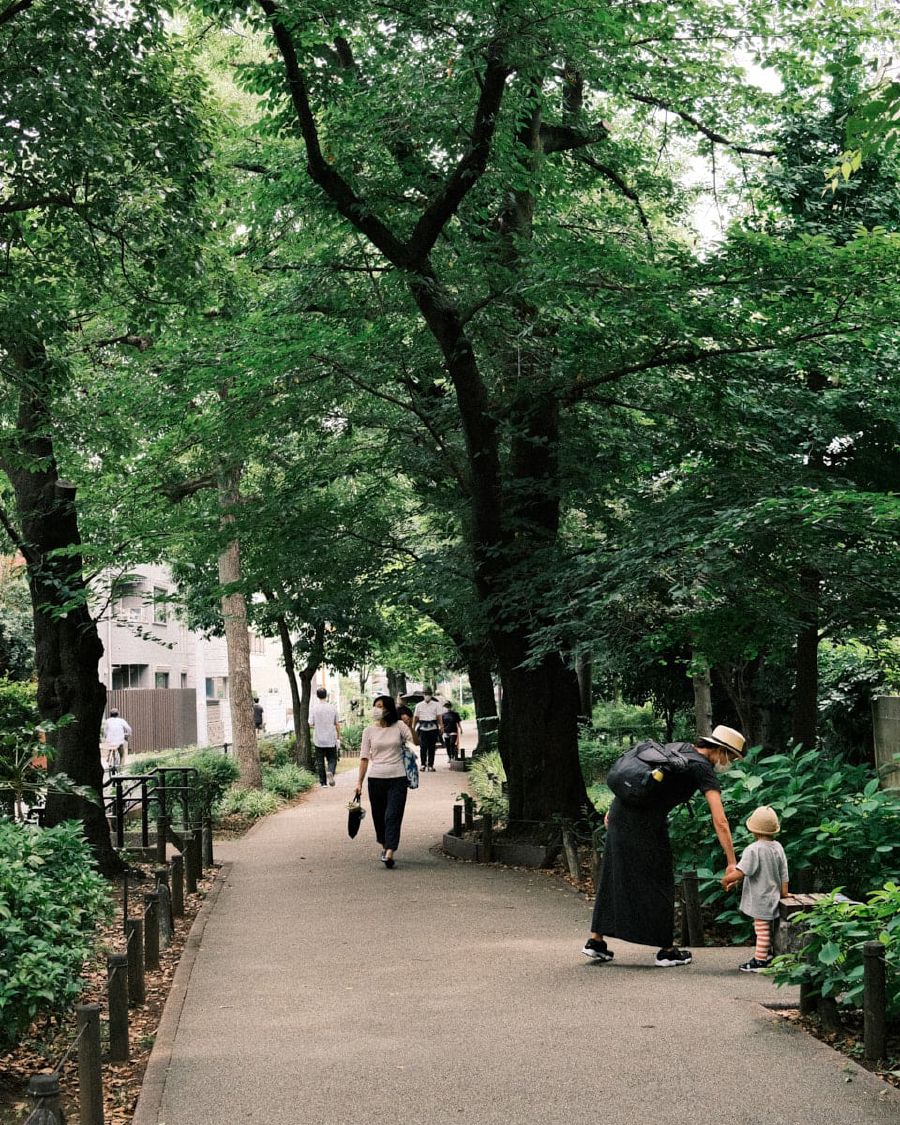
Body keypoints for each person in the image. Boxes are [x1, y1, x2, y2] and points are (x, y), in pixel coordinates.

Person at [582, 724, 746, 967]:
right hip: (644, 823)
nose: (729, 763)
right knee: (660, 881)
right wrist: (732, 861)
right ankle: (667, 951)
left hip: (620, 812)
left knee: (614, 874)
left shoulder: (680, 748)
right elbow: (719, 819)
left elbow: (643, 778)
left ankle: (596, 942)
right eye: (731, 757)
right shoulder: (702, 768)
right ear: (720, 751)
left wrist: (613, 809)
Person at [722, 806, 789, 973]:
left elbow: (742, 871)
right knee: (767, 928)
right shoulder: (778, 847)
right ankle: (767, 954)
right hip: (773, 896)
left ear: (753, 830)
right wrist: (785, 893)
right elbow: (784, 873)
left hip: (760, 898)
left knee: (761, 930)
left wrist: (727, 879)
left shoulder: (754, 849)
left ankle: (760, 960)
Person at [355, 695, 414, 868]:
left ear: (388, 709)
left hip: (398, 777)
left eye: (380, 706)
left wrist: (412, 727)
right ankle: (384, 845)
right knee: (379, 817)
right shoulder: (369, 731)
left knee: (393, 815)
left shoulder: (400, 726)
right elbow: (364, 758)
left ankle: (389, 852)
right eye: (375, 706)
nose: (377, 709)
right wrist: (359, 782)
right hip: (376, 779)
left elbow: (415, 742)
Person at [310, 687, 341, 787]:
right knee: (332, 759)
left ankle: (323, 783)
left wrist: (319, 724)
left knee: (320, 761)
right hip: (331, 738)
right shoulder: (332, 708)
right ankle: (330, 771)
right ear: (326, 695)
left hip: (318, 738)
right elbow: (337, 723)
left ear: (317, 696)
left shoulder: (314, 708)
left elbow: (311, 723)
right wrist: (338, 737)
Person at [413, 688, 442, 772]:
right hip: (422, 728)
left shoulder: (436, 704)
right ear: (423, 695)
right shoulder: (419, 705)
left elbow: (439, 717)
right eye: (425, 694)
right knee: (423, 747)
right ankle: (423, 764)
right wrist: (413, 728)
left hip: (433, 727)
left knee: (432, 747)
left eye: (428, 694)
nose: (427, 696)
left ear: (431, 695)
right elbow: (415, 717)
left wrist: (441, 726)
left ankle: (430, 765)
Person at [102, 709, 132, 775]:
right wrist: (129, 734)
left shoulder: (107, 721)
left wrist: (106, 736)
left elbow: (105, 731)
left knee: (109, 747)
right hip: (119, 741)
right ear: (117, 714)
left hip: (110, 741)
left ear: (110, 714)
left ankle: (108, 759)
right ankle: (121, 769)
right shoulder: (121, 720)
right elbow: (128, 728)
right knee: (122, 754)